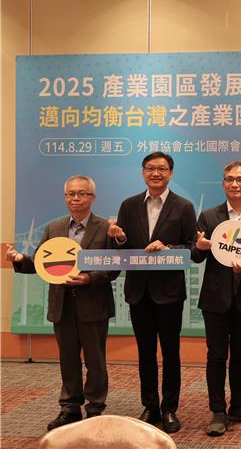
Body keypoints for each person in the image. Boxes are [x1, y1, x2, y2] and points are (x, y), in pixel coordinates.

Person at [6, 175, 118, 431]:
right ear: (65, 197)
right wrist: (19, 257)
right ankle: (70, 408)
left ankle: (95, 409)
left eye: (82, 194)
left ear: (93, 197)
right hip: (62, 305)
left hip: (93, 304)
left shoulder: (105, 227)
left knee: (95, 361)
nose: (75, 199)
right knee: (67, 359)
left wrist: (88, 278)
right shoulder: (54, 228)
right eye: (70, 194)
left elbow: (113, 268)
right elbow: (39, 263)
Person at [107, 152, 196, 433]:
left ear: (171, 173)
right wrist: (120, 238)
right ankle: (150, 406)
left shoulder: (183, 207)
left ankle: (170, 408)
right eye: (150, 168)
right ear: (143, 172)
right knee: (145, 353)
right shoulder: (129, 205)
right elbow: (122, 249)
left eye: (161, 169)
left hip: (169, 292)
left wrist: (169, 249)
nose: (156, 173)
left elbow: (192, 248)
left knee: (171, 353)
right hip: (138, 292)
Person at [191, 161, 241, 436]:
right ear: (223, 184)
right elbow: (196, 254)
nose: (235, 184)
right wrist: (199, 248)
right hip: (215, 298)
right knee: (216, 355)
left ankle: (238, 405)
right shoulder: (209, 217)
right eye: (230, 179)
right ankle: (218, 411)